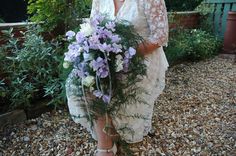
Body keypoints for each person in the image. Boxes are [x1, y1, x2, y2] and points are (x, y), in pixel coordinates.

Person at [66, 0, 169, 155]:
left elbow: (160, 37)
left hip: (141, 57)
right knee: (85, 81)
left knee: (112, 84)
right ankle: (106, 141)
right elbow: (94, 28)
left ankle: (107, 143)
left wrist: (123, 54)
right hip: (108, 56)